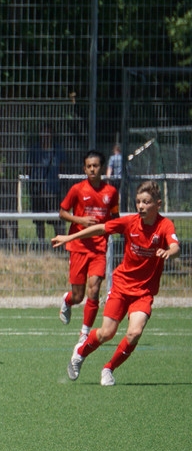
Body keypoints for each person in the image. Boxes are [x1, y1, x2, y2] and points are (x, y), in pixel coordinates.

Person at [53, 180, 179, 386]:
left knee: (135, 332)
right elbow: (100, 228)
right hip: (121, 286)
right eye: (138, 202)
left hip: (144, 292)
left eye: (146, 202)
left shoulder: (165, 225)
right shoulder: (130, 222)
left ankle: (108, 369)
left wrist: (169, 252)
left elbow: (175, 247)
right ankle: (80, 352)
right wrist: (69, 238)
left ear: (158, 204)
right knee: (106, 333)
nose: (141, 206)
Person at [56, 150, 119, 339]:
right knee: (78, 296)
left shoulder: (111, 192)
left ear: (102, 168)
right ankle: (68, 301)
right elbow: (62, 212)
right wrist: (80, 220)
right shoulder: (77, 189)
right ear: (84, 168)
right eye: (89, 166)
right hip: (78, 247)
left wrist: (114, 228)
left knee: (95, 288)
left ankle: (84, 334)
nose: (92, 169)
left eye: (96, 166)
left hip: (99, 249)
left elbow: (115, 216)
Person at [28, 123, 67, 239]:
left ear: (52, 134)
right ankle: (41, 244)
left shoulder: (57, 149)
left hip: (53, 190)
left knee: (57, 219)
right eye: (43, 132)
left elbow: (62, 167)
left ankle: (60, 243)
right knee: (39, 220)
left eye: (48, 132)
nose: (45, 135)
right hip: (38, 190)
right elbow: (28, 167)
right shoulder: (35, 149)